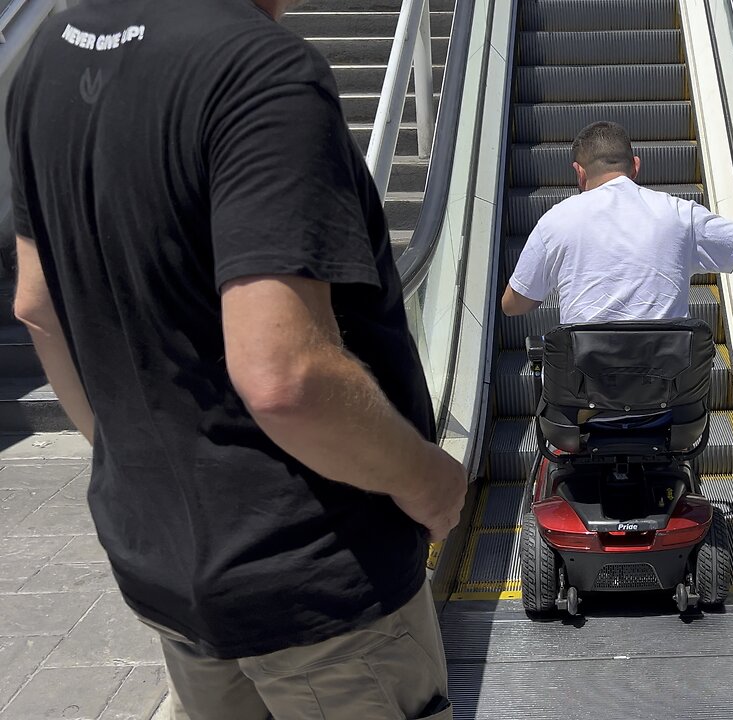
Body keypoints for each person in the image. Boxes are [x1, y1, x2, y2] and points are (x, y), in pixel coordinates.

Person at [7, 1, 465, 718]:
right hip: (316, 581)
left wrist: (132, 460)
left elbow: (37, 305)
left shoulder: (48, 56)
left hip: (164, 566)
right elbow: (285, 377)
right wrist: (428, 479)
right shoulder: (262, 73)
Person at [502, 121, 733, 323]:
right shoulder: (681, 214)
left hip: (584, 398)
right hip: (668, 396)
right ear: (635, 165)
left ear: (579, 172)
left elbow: (514, 306)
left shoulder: (555, 221)